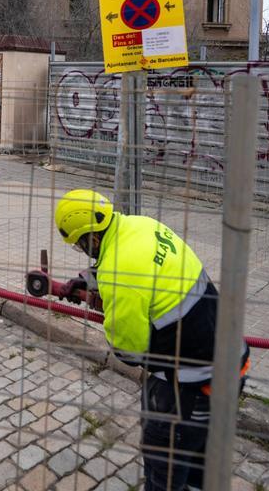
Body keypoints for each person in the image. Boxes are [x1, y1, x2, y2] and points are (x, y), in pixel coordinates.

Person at [55, 189, 249, 491]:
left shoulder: (117, 270)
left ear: (91, 238)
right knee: (201, 457)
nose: (82, 250)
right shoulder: (141, 225)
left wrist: (113, 307)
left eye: (80, 244)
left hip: (193, 385)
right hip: (233, 359)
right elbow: (147, 278)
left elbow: (128, 350)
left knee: (164, 466)